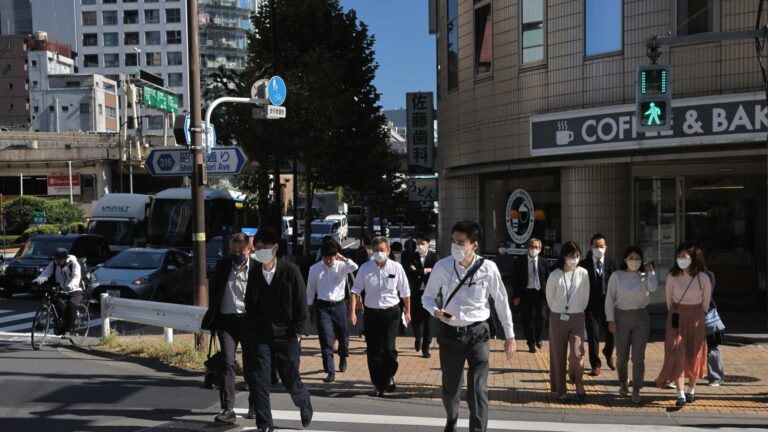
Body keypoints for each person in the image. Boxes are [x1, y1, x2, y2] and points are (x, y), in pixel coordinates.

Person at [422, 221, 517, 432]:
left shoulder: (489, 268)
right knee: (451, 389)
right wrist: (436, 312)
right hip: (450, 334)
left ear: (474, 245)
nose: (455, 246)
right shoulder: (442, 266)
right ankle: (452, 417)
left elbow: (501, 302)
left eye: (461, 242)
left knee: (477, 389)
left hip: (478, 334)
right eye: (453, 241)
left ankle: (477, 429)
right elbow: (426, 298)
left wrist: (509, 336)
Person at [246, 227, 313, 432]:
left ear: (275, 248)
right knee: (259, 381)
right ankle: (264, 424)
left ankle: (303, 401)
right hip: (262, 334)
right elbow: (250, 302)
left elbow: (301, 303)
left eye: (265, 247)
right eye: (257, 248)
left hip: (287, 334)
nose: (261, 251)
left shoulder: (290, 271)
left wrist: (298, 331)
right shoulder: (255, 272)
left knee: (290, 379)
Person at [200, 233, 258, 424]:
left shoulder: (257, 268)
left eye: (241, 251)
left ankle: (254, 403)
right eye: (233, 251)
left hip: (249, 322)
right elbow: (216, 291)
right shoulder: (223, 265)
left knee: (251, 365)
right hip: (226, 321)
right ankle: (228, 408)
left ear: (249, 249)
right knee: (227, 363)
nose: (237, 254)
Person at [350, 236, 411, 397]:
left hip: (391, 313)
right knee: (374, 350)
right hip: (372, 313)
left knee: (389, 348)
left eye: (382, 250)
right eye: (376, 250)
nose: (378, 253)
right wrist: (352, 312)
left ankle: (389, 374)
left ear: (388, 251)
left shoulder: (396, 268)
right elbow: (355, 290)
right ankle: (378, 384)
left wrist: (408, 311)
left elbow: (405, 291)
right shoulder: (365, 268)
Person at [654, 243, 711, 407]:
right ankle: (680, 393)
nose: (681, 260)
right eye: (679, 256)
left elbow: (706, 303)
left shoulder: (703, 278)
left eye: (684, 257)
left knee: (694, 353)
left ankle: (691, 390)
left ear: (693, 259)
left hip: (696, 317)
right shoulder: (672, 276)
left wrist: (697, 314)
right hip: (677, 315)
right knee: (677, 352)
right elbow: (668, 300)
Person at [605, 246, 657, 404]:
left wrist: (651, 272)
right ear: (625, 259)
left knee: (638, 356)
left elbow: (653, 288)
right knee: (622, 356)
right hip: (621, 316)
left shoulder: (644, 275)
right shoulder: (617, 275)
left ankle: (636, 388)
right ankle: (623, 382)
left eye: (637, 259)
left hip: (640, 317)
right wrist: (611, 319)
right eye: (631, 258)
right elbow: (609, 298)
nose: (634, 261)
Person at [307, 241, 358, 383]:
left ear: (336, 255)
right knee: (325, 338)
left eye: (331, 257)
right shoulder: (315, 269)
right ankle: (330, 370)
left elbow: (355, 266)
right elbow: (310, 290)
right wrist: (309, 307)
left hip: (339, 305)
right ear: (322, 256)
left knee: (343, 336)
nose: (329, 260)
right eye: (326, 257)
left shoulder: (342, 266)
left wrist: (342, 258)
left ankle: (343, 356)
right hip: (322, 307)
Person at [545, 241, 590, 402]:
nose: (575, 259)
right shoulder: (555, 275)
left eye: (577, 256)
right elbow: (550, 298)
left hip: (577, 317)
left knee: (577, 353)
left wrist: (575, 309)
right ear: (564, 256)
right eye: (572, 256)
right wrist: (560, 310)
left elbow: (585, 297)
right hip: (558, 317)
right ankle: (561, 390)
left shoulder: (583, 273)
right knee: (558, 355)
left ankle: (578, 381)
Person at [580, 233, 616, 376]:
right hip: (591, 305)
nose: (599, 249)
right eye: (596, 246)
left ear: (605, 247)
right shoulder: (584, 264)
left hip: (608, 304)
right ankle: (595, 364)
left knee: (611, 333)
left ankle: (608, 352)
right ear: (591, 247)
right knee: (593, 334)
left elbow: (616, 283)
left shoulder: (612, 262)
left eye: (601, 246)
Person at [33, 248, 83, 338]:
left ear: (65, 258)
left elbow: (76, 277)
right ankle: (60, 324)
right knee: (56, 302)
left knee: (71, 304)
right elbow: (45, 274)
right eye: (56, 258)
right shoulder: (54, 264)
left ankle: (68, 330)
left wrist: (70, 286)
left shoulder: (74, 264)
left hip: (75, 289)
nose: (57, 261)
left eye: (59, 259)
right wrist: (37, 281)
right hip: (62, 289)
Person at [512, 238, 550, 353]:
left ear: (540, 249)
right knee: (527, 319)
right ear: (528, 248)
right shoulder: (520, 261)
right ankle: (531, 342)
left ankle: (538, 338)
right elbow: (516, 279)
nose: (534, 249)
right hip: (526, 293)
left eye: (537, 247)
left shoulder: (544, 261)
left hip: (540, 293)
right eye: (532, 247)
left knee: (542, 316)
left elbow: (548, 278)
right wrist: (516, 295)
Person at [404, 233, 438, 358]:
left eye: (422, 244)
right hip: (416, 292)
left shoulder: (434, 257)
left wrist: (418, 271)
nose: (420, 246)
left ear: (428, 244)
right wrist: (425, 270)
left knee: (428, 322)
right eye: (417, 243)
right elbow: (410, 272)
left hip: (429, 293)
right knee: (416, 321)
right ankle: (417, 339)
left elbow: (436, 272)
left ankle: (426, 347)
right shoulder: (411, 256)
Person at [698, 248, 724, 386]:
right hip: (688, 315)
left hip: (706, 315)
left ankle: (715, 376)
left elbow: (707, 295)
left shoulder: (708, 275)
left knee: (712, 346)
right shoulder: (682, 275)